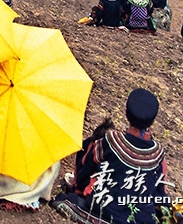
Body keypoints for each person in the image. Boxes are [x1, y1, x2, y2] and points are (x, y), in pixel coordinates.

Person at [52, 88, 167, 224]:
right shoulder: (157, 153)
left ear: (126, 114)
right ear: (152, 122)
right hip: (140, 219)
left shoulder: (112, 140)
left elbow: (88, 163)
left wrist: (79, 188)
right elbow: (160, 192)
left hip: (104, 211)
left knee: (65, 198)